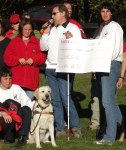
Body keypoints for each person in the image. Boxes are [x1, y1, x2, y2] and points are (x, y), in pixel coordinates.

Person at [40, 4, 82, 138]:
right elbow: (43, 47)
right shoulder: (52, 29)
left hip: (64, 68)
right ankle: (59, 128)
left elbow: (79, 46)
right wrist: (45, 34)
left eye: (54, 13)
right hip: (51, 68)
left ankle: (75, 127)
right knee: (55, 100)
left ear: (63, 13)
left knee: (66, 98)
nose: (51, 16)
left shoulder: (73, 28)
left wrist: (71, 39)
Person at [93, 2, 123, 145]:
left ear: (112, 13)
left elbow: (116, 50)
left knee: (107, 102)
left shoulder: (115, 27)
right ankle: (123, 129)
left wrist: (101, 62)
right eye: (102, 11)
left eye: (107, 11)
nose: (105, 13)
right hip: (102, 65)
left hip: (110, 65)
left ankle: (109, 137)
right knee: (111, 101)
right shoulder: (102, 28)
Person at [0, 67, 34, 149]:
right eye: (5, 79)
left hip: (19, 115)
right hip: (6, 118)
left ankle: (22, 137)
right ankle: (9, 136)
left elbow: (27, 102)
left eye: (10, 78)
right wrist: (2, 113)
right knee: (7, 126)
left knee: (26, 109)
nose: (8, 81)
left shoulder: (16, 88)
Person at [4, 19, 46, 100]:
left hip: (31, 82)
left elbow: (42, 57)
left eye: (29, 29)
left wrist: (34, 60)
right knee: (16, 107)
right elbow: (7, 57)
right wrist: (18, 60)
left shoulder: (37, 42)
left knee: (28, 107)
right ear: (21, 29)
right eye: (25, 29)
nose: (27, 32)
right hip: (17, 81)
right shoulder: (14, 42)